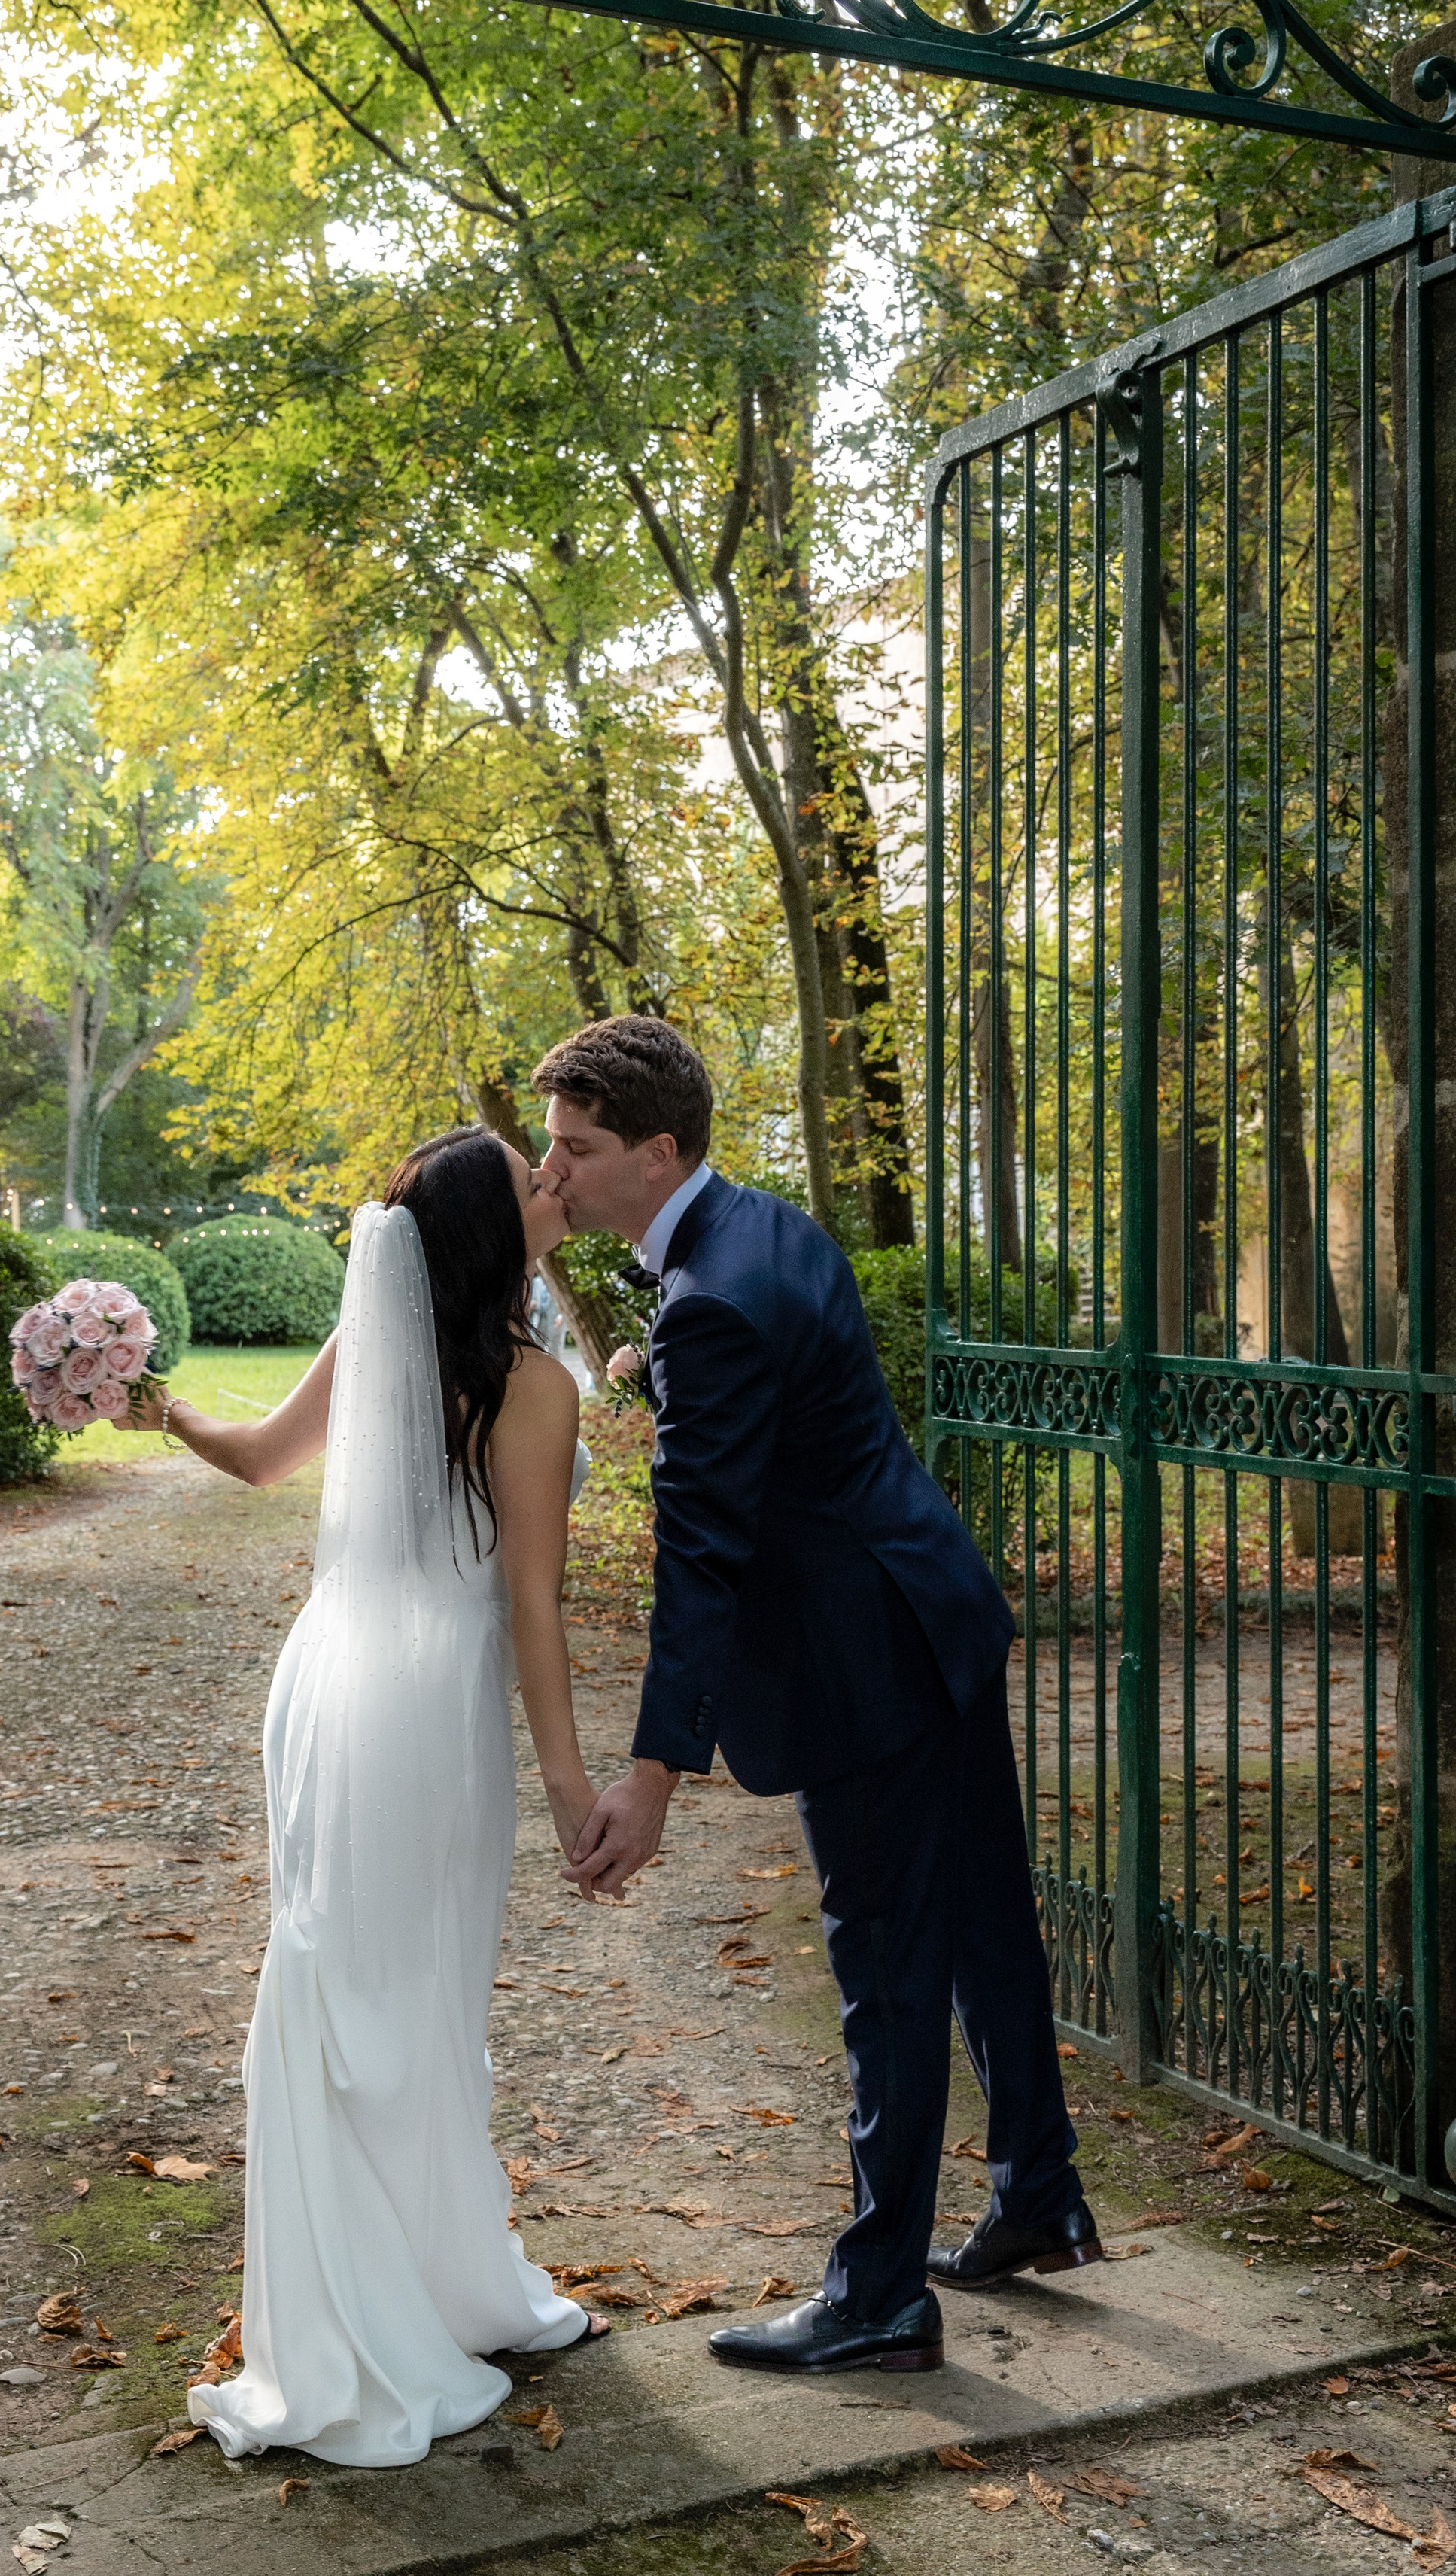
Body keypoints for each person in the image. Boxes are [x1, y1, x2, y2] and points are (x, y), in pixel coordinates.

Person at [532, 1014, 1102, 2378]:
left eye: (578, 1149)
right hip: (932, 1612)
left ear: (658, 1151)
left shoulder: (709, 1306)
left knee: (890, 1976)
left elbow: (706, 1558)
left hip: (868, 1668)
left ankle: (881, 2296)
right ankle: (1037, 2194)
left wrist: (654, 1770)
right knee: (980, 1926)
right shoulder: (760, 1229)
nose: (554, 1176)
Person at [113, 1134, 607, 2467]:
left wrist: (160, 1405)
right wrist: (569, 1787)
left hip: (327, 1687)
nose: (555, 1184)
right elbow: (530, 1603)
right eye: (531, 1181)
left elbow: (262, 1457)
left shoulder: (382, 1339)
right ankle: (384, 2313)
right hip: (429, 1704)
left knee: (346, 1983)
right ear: (488, 1238)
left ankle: (427, 2282)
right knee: (416, 1990)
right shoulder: (534, 1390)